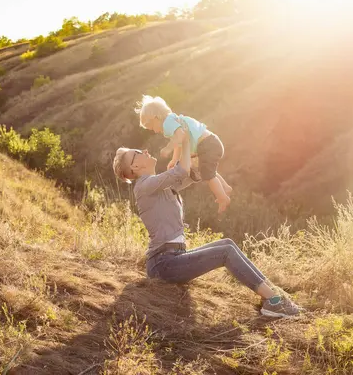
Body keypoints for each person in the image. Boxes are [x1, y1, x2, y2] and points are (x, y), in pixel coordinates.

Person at [112, 118, 302, 318]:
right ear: (134, 169)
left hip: (174, 257)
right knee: (226, 252)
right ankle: (273, 302)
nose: (145, 151)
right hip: (163, 264)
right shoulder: (143, 187)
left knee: (227, 243)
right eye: (138, 154)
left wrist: (204, 155)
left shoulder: (159, 186)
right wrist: (183, 139)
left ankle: (272, 296)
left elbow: (191, 174)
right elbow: (180, 170)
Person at [134, 95, 232, 213]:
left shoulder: (168, 123)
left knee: (207, 175)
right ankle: (225, 187)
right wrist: (174, 160)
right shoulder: (172, 120)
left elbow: (180, 136)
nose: (154, 131)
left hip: (207, 145)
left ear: (156, 118)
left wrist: (167, 148)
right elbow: (179, 143)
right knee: (205, 169)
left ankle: (222, 198)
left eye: (152, 127)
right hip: (210, 142)